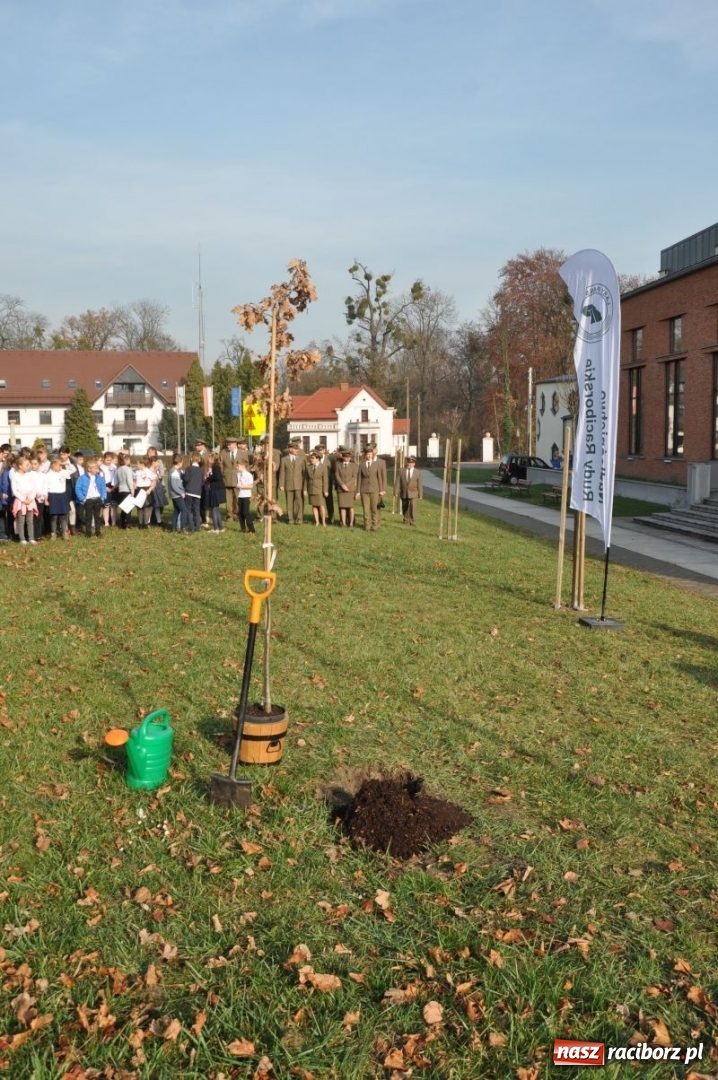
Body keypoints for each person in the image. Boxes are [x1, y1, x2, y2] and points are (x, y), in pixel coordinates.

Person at [355, 446, 387, 532]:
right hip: (364, 489)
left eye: (370, 454)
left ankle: (375, 525)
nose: (369, 456)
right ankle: (367, 525)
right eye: (367, 454)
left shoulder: (377, 465)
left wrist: (381, 490)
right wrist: (357, 491)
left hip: (374, 489)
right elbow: (359, 479)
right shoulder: (361, 465)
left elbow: (380, 478)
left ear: (373, 455)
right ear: (365, 455)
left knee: (374, 508)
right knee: (366, 509)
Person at [75, 459, 108, 538]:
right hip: (88, 499)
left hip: (97, 499)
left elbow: (103, 487)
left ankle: (98, 532)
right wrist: (82, 498)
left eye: (97, 468)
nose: (97, 470)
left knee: (97, 516)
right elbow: (78, 488)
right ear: (89, 469)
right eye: (95, 468)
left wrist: (103, 496)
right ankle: (88, 532)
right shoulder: (82, 478)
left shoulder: (99, 477)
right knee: (88, 516)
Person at [11, 456, 38, 544]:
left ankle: (31, 538)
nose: (28, 467)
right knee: (21, 520)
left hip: (30, 500)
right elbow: (14, 490)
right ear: (20, 466)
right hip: (20, 500)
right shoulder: (15, 476)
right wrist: (23, 499)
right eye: (26, 465)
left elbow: (34, 488)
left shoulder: (30, 475)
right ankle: (22, 539)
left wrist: (31, 498)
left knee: (30, 520)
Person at [278, 443, 305, 524]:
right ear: (290, 449)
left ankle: (299, 519)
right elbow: (282, 472)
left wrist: (305, 485)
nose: (297, 450)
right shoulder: (284, 459)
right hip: (288, 484)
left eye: (298, 449)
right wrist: (281, 484)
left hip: (299, 484)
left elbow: (304, 473)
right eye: (295, 449)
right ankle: (290, 519)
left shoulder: (301, 459)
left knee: (299, 502)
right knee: (289, 502)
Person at [46, 456, 70, 539]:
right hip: (53, 495)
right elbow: (46, 487)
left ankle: (64, 533)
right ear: (53, 465)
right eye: (59, 465)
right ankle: (53, 533)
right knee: (54, 516)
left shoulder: (63, 472)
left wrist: (66, 463)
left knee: (63, 515)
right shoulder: (48, 474)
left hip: (62, 495)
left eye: (61, 465)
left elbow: (73, 470)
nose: (60, 467)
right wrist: (46, 499)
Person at [395, 455, 423, 525]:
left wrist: (420, 494)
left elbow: (419, 483)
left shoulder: (417, 472)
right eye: (408, 463)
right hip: (404, 492)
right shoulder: (401, 471)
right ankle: (406, 519)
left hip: (414, 492)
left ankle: (412, 520)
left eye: (411, 463)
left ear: (414, 464)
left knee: (412, 506)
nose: (409, 464)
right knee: (405, 506)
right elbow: (397, 482)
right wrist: (395, 491)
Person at [334, 447, 358, 527]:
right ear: (343, 457)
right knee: (342, 507)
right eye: (346, 457)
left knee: (351, 507)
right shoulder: (338, 465)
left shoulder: (354, 466)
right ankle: (343, 523)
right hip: (341, 489)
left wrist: (346, 485)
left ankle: (351, 523)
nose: (347, 458)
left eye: (349, 457)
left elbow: (354, 477)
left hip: (350, 489)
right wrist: (342, 485)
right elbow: (337, 475)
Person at [304, 451, 329, 527]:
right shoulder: (309, 467)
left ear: (318, 459)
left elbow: (325, 480)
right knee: (314, 506)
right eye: (311, 458)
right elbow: (306, 479)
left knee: (321, 506)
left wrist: (325, 490)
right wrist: (305, 489)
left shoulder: (323, 467)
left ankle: (323, 522)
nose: (311, 459)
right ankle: (317, 522)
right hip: (311, 489)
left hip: (319, 489)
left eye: (313, 458)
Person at [219, 438, 240, 522]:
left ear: (235, 444)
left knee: (238, 498)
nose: (228, 445)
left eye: (230, 444)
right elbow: (221, 464)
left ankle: (237, 514)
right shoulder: (224, 453)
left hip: (238, 479)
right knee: (229, 499)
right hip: (227, 478)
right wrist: (223, 473)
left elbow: (246, 466)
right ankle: (229, 515)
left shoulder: (242, 453)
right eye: (227, 444)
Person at [168, 453, 190, 533]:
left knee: (176, 510)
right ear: (179, 462)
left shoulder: (174, 471)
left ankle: (173, 527)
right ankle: (183, 527)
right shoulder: (174, 472)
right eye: (182, 462)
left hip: (174, 494)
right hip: (177, 495)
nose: (183, 463)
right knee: (184, 510)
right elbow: (174, 485)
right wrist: (181, 493)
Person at [183, 452, 203, 532]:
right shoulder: (200, 470)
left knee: (188, 509)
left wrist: (183, 477)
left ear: (191, 459)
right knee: (196, 509)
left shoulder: (189, 468)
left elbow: (186, 479)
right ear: (199, 460)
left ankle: (191, 526)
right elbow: (202, 481)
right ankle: (197, 526)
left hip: (189, 491)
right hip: (198, 492)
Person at [206, 452, 226, 532]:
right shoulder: (216, 466)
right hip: (218, 489)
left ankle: (215, 528)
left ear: (212, 459)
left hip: (216, 490)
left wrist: (209, 477)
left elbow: (217, 477)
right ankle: (220, 527)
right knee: (216, 508)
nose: (208, 459)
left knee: (214, 508)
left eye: (209, 458)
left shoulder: (215, 467)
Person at [115, 452, 136, 529]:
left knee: (124, 508)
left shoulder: (118, 469)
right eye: (129, 460)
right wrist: (132, 491)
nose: (130, 461)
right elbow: (129, 481)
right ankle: (128, 524)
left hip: (121, 490)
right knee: (128, 508)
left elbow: (117, 481)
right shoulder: (128, 469)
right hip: (127, 490)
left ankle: (122, 523)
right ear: (126, 460)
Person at [236, 461, 256, 534]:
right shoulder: (238, 474)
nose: (237, 467)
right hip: (240, 495)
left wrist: (241, 486)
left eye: (238, 466)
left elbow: (251, 486)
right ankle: (243, 528)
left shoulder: (248, 475)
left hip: (246, 495)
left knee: (246, 512)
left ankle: (251, 529)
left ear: (243, 466)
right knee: (240, 513)